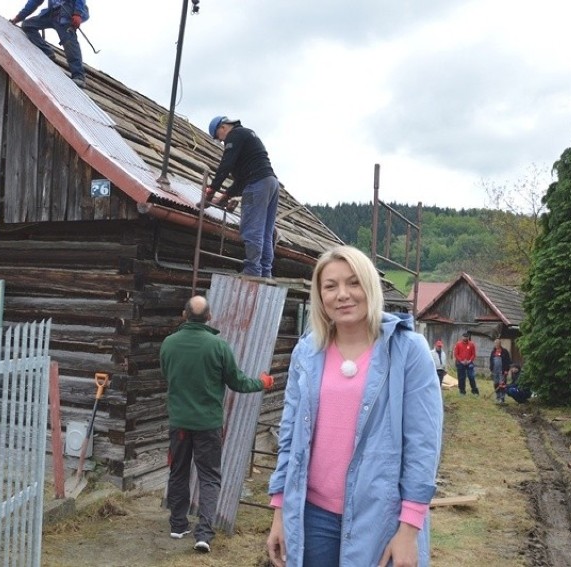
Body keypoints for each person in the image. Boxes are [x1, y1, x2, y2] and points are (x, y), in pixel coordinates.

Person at [265, 245, 443, 567]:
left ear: (370, 287)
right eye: (330, 286)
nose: (342, 295)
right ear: (320, 295)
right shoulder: (306, 352)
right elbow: (290, 437)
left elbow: (423, 446)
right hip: (312, 516)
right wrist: (280, 511)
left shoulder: (408, 351)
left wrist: (409, 530)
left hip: (381, 518)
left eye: (353, 283)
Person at [159, 295, 274, 553]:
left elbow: (166, 375)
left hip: (179, 424)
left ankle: (177, 525)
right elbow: (238, 383)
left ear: (184, 315)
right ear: (209, 317)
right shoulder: (218, 347)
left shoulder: (168, 344)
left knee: (178, 472)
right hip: (208, 425)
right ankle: (204, 534)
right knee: (209, 477)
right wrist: (263, 383)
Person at [205, 116, 280, 279]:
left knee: (251, 228)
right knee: (266, 232)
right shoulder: (247, 135)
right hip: (271, 183)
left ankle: (253, 270)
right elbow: (241, 180)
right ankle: (265, 272)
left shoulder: (234, 136)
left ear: (223, 127)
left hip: (257, 185)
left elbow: (226, 164)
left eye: (218, 137)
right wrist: (225, 195)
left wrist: (211, 189)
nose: (221, 141)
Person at [10, 0, 90, 88]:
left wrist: (77, 13)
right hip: (52, 14)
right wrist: (18, 17)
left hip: (68, 12)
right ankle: (47, 52)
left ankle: (78, 76)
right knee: (28, 25)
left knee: (69, 42)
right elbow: (33, 2)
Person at [453, 331, 479, 395]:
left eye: (466, 337)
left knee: (471, 376)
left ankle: (474, 390)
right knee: (461, 377)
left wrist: (469, 361)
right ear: (462, 337)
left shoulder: (471, 344)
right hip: (461, 363)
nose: (465, 338)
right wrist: (461, 361)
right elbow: (456, 354)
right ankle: (462, 391)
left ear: (468, 337)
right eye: (464, 337)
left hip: (469, 363)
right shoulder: (458, 344)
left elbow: (473, 354)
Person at [489, 338, 512, 404]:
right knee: (496, 383)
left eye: (498, 343)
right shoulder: (493, 351)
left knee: (502, 384)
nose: (496, 344)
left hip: (502, 370)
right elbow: (491, 360)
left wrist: (506, 370)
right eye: (495, 343)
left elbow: (508, 361)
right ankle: (498, 396)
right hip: (495, 370)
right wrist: (491, 368)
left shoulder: (504, 351)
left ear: (500, 344)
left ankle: (502, 398)